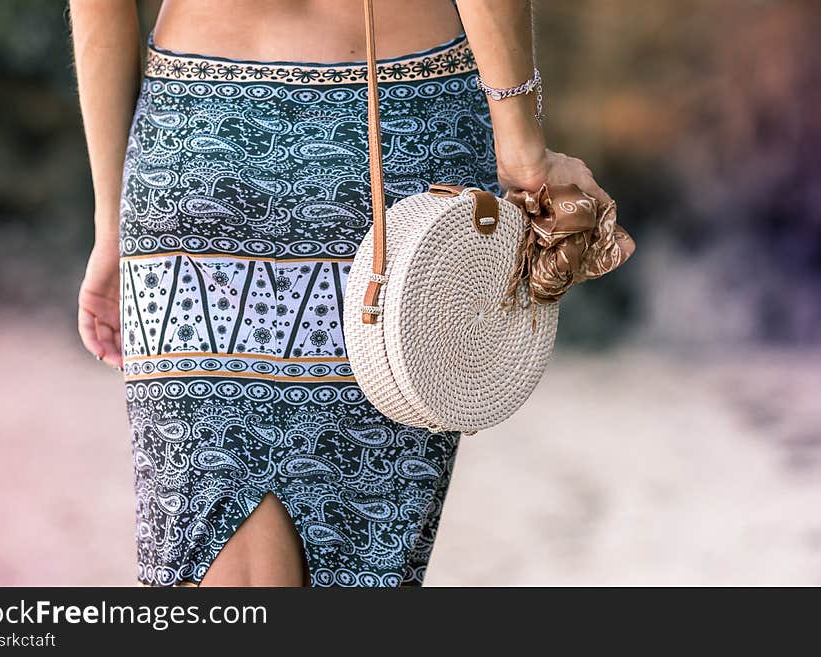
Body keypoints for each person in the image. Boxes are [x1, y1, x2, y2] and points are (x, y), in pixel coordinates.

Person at [70, 0, 609, 587]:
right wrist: (521, 144)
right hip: (396, 130)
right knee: (362, 554)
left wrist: (111, 224)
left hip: (197, 144)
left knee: (206, 539)